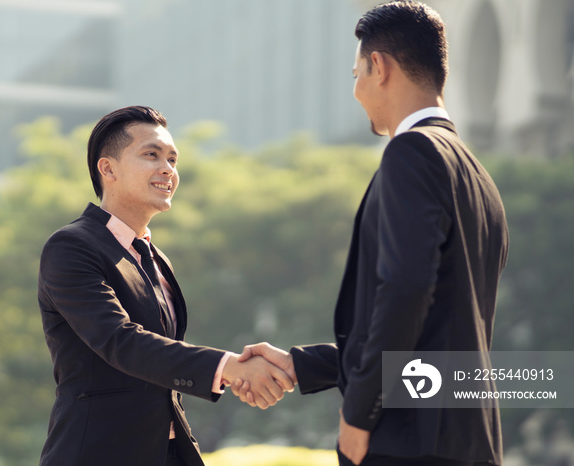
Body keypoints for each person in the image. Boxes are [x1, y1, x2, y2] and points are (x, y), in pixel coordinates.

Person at [234, 2, 509, 465]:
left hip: (409, 440)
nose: (356, 88)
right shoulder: (478, 176)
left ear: (378, 67)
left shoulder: (412, 153)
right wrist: (301, 365)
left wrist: (359, 414)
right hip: (466, 438)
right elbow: (438, 322)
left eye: (355, 72)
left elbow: (404, 291)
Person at [37, 105, 294, 466]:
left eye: (173, 160)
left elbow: (164, 360)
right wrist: (230, 367)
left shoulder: (157, 258)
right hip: (97, 452)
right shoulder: (71, 247)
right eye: (152, 155)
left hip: (168, 452)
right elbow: (121, 341)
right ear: (107, 168)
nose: (167, 170)